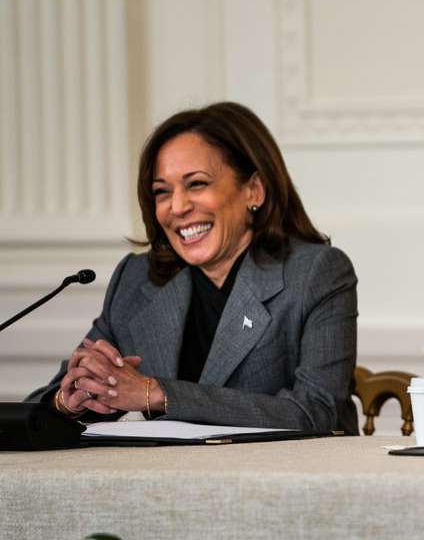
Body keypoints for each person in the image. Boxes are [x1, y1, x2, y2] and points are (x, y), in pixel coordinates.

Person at [28, 101, 359, 433]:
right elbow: (36, 407)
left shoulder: (316, 273)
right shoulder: (136, 278)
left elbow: (318, 412)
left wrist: (157, 393)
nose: (177, 206)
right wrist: (71, 400)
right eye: (162, 192)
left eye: (196, 184)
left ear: (253, 191)